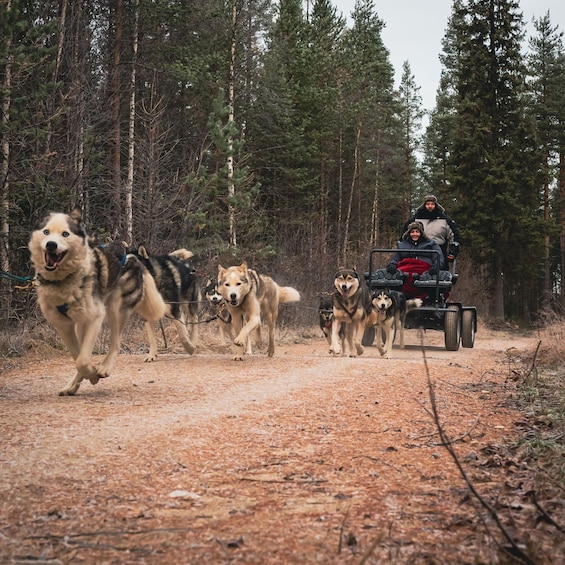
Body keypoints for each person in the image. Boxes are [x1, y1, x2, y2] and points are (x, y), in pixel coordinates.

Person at [387, 221, 445, 298]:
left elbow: (438, 256)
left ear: (421, 233)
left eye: (417, 232)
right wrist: (392, 264)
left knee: (425, 276)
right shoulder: (402, 245)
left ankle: (428, 296)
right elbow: (395, 257)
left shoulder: (431, 244)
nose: (415, 234)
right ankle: (399, 296)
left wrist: (436, 266)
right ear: (409, 233)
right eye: (412, 232)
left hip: (424, 268)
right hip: (406, 268)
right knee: (398, 275)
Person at [402, 195, 460, 263]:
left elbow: (454, 236)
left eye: (432, 204)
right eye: (428, 204)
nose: (430, 206)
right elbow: (404, 236)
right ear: (424, 205)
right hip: (418, 253)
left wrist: (452, 252)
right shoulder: (415, 219)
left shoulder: (445, 220)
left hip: (439, 253)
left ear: (436, 205)